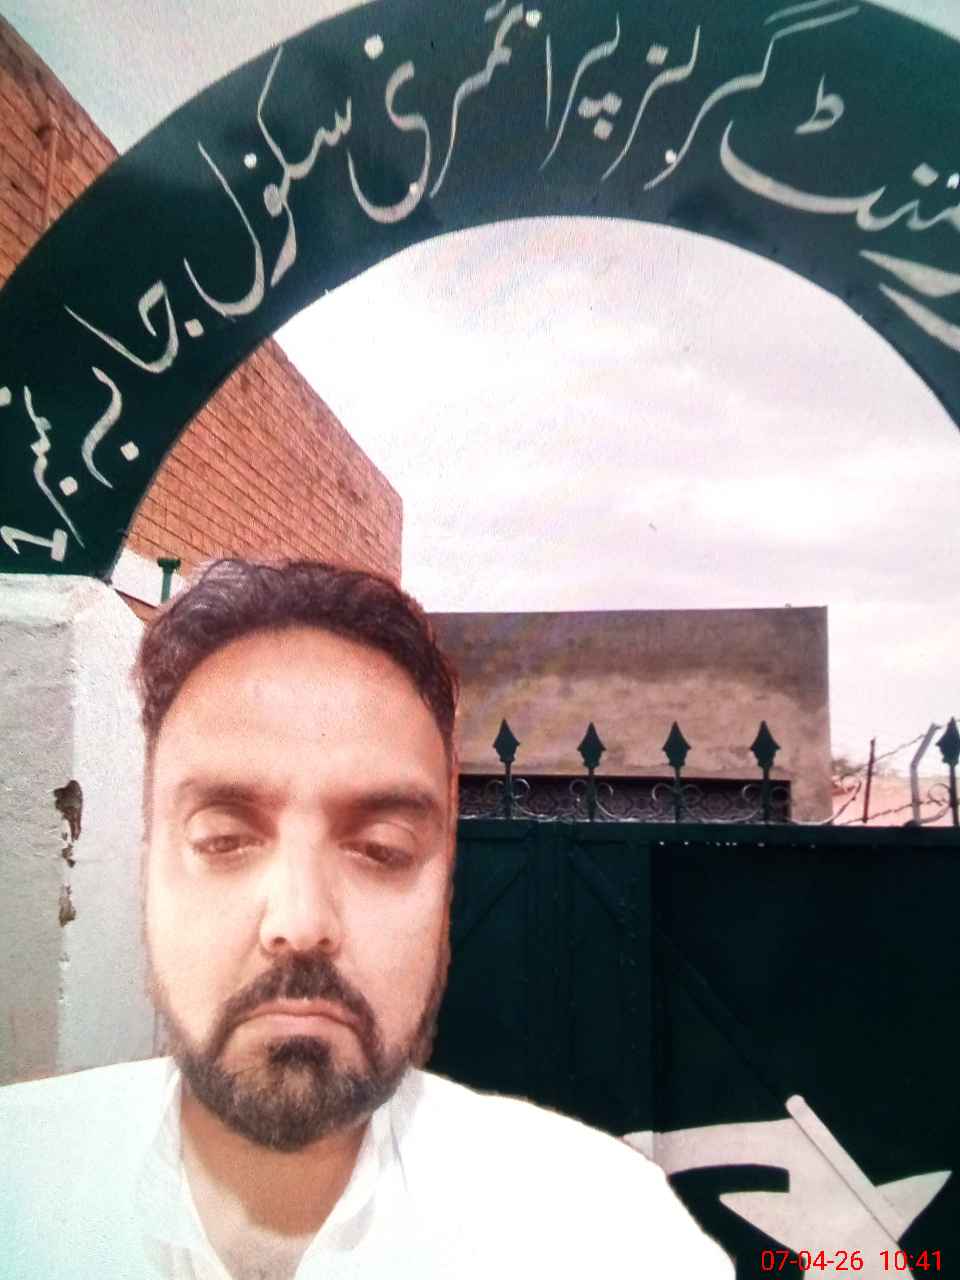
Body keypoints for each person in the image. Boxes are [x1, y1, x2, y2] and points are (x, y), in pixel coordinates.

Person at [0, 559, 733, 1279]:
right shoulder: (19, 1185)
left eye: (381, 849)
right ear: (147, 868)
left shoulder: (608, 1236)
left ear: (446, 890)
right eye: (223, 839)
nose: (300, 922)